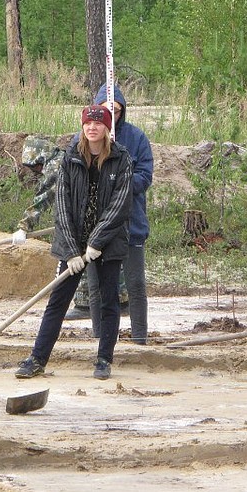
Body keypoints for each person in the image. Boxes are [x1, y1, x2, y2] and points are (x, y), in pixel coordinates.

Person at [15, 104, 133, 381]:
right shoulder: (70, 158)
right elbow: (63, 207)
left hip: (108, 243)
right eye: (88, 124)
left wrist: (95, 244)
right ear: (83, 127)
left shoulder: (121, 159)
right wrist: (71, 251)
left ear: (106, 128)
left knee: (108, 301)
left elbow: (119, 206)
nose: (92, 128)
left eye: (98, 123)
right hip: (73, 243)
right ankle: (37, 359)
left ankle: (104, 360)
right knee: (57, 301)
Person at [12, 133, 130, 322]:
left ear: (41, 157)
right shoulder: (69, 156)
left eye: (36, 165)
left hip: (85, 225)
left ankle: (85, 306)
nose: (37, 170)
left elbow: (44, 198)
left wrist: (24, 225)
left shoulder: (57, 165)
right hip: (95, 220)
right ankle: (122, 301)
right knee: (103, 267)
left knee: (79, 265)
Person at [91, 83, 153, 344]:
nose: (111, 115)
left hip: (130, 223)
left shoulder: (136, 138)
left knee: (135, 286)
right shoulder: (86, 138)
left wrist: (119, 186)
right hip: (95, 227)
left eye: (116, 111)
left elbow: (144, 176)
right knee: (99, 289)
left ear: (122, 111)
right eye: (106, 110)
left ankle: (139, 339)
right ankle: (101, 340)